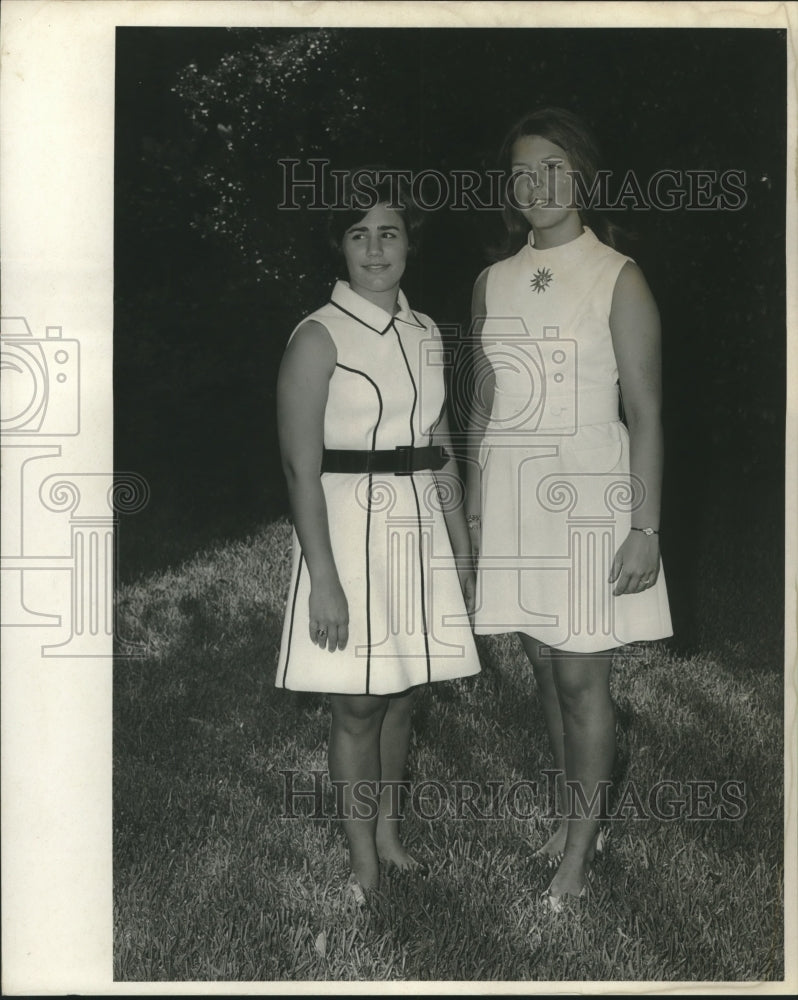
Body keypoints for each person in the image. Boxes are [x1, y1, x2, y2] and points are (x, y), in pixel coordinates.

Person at [465, 108, 672, 911]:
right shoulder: (493, 280)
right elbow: (482, 401)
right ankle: (568, 817)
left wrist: (646, 527)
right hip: (518, 497)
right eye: (522, 173)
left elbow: (648, 411)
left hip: (592, 494)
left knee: (584, 676)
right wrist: (480, 512)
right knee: (545, 669)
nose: (536, 185)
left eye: (552, 167)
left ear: (580, 175)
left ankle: (580, 855)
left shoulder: (619, 276)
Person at [275, 174, 481, 903]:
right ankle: (361, 856)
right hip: (345, 528)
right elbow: (301, 468)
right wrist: (323, 578)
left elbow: (440, 439)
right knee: (357, 703)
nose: (374, 248)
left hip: (416, 521)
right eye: (357, 234)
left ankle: (390, 836)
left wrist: (460, 540)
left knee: (401, 695)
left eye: (388, 232)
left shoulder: (426, 332)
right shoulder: (317, 336)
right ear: (339, 247)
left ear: (408, 245)